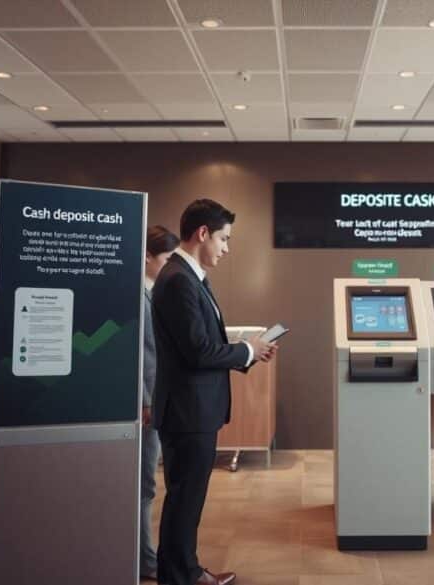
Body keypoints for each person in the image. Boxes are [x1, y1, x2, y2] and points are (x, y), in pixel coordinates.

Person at [153, 199, 277, 585]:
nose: (226, 248)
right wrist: (246, 350)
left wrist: (248, 353)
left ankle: (184, 572)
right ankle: (182, 576)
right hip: (188, 412)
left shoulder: (189, 278)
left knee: (186, 500)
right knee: (184, 501)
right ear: (202, 233)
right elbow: (198, 351)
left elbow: (202, 343)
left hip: (194, 410)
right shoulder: (177, 280)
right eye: (223, 239)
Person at [139, 225, 180, 581]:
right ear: (147, 256)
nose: (169, 266)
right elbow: (135, 355)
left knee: (148, 483)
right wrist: (144, 400)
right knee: (144, 485)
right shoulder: (137, 297)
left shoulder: (153, 292)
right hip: (146, 405)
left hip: (157, 400)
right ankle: (144, 560)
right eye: (166, 259)